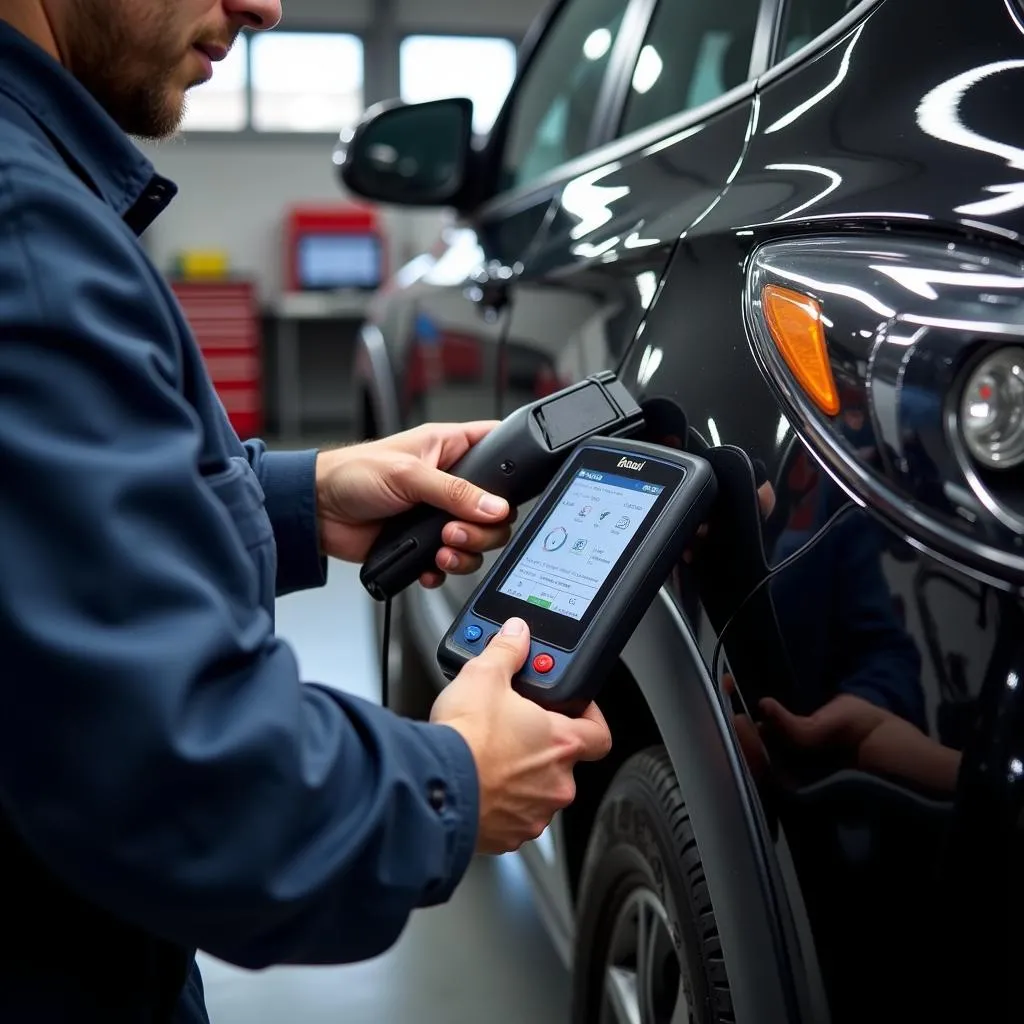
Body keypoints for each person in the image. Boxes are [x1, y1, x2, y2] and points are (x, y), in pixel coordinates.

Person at [0, 1, 613, 1020]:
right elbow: (183, 781)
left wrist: (293, 498)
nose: (263, 5)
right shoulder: (28, 232)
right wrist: (451, 780)